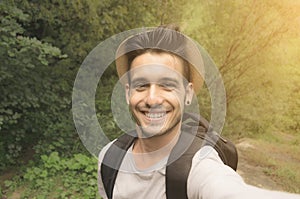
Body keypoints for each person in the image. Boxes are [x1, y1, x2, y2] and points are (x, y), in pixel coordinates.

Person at [97, 25, 300, 199]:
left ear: (188, 93)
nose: (152, 99)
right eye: (141, 85)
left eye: (167, 85)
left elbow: (230, 192)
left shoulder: (198, 165)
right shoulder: (109, 158)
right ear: (128, 93)